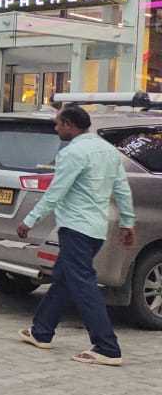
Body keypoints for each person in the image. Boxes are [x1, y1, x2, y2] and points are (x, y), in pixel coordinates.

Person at [17, 104, 136, 366]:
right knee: (63, 278)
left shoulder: (72, 153)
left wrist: (30, 220)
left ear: (70, 125)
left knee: (83, 285)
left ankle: (107, 347)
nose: (56, 128)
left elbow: (56, 191)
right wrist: (127, 223)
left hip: (75, 228)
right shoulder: (108, 151)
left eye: (58, 124)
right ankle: (41, 332)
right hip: (95, 230)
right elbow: (122, 190)